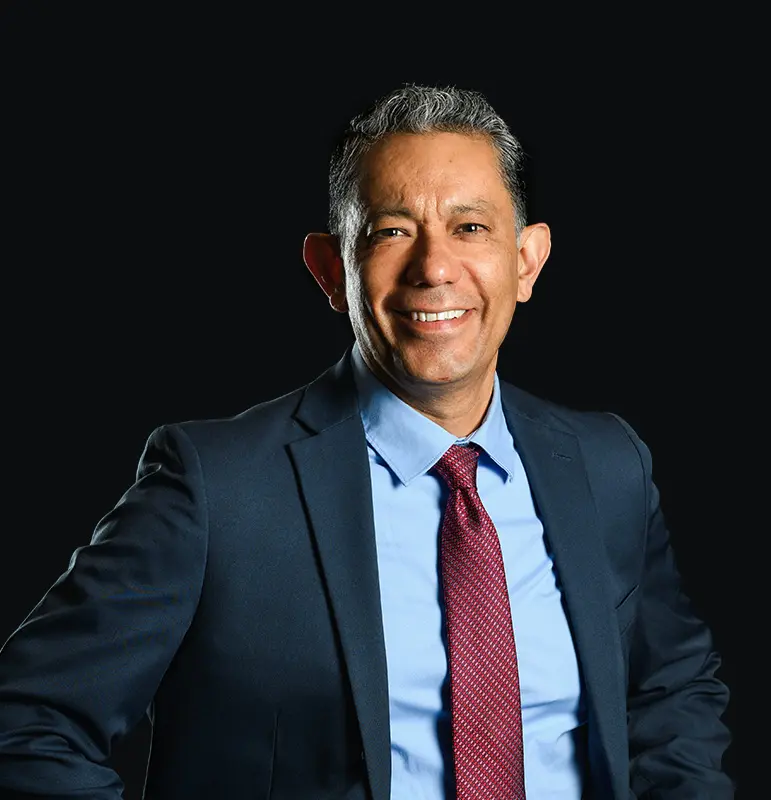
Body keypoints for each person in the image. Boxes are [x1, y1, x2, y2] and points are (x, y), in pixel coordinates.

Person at [0, 84, 732, 799]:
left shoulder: (609, 468)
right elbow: (29, 721)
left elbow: (671, 691)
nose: (434, 268)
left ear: (526, 261)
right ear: (330, 269)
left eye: (470, 228)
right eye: (390, 231)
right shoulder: (215, 489)